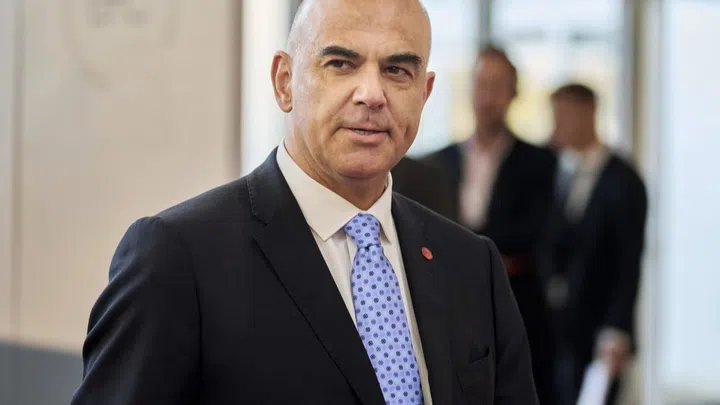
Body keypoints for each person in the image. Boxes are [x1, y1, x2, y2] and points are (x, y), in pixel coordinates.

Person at [72, 1, 538, 404]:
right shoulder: (177, 258)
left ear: (424, 93)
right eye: (341, 63)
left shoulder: (471, 264)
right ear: (284, 82)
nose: (372, 95)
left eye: (397, 70)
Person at [424, 45, 557, 405]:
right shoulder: (437, 163)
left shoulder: (540, 163)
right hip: (448, 304)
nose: (488, 97)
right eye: (481, 84)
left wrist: (463, 252)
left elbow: (535, 232)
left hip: (518, 302)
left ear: (514, 93)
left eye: (498, 86)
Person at [541, 83, 647, 405]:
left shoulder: (623, 180)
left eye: (564, 116)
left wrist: (616, 328)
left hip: (600, 326)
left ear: (589, 113)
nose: (557, 126)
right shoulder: (556, 171)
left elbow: (629, 261)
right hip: (559, 329)